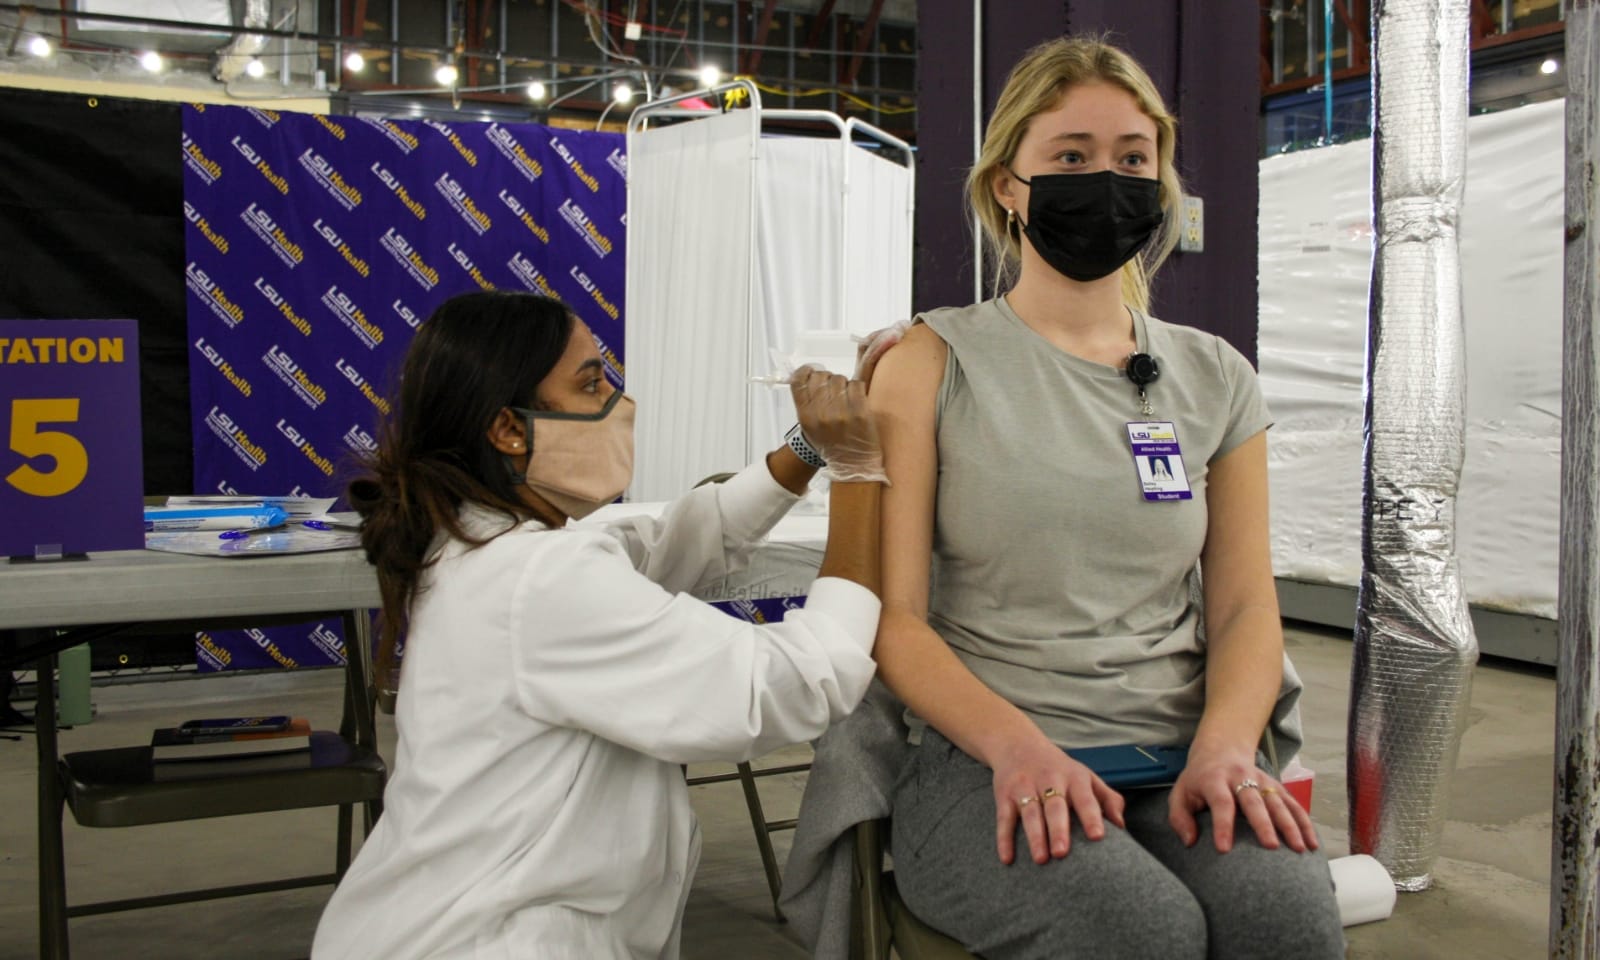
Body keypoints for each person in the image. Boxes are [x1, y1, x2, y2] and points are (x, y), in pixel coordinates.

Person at [864, 37, 1346, 958]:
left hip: (1180, 753)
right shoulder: (930, 364)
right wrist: (1016, 748)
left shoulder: (1215, 376)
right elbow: (897, 621)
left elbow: (1246, 605)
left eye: (1133, 158)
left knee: (1286, 919)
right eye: (1072, 157)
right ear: (1009, 182)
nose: (1108, 180)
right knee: (1137, 931)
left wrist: (1228, 747)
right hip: (987, 757)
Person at [310, 290, 887, 960]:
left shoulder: (483, 540)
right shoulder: (535, 576)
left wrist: (809, 446)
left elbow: (682, 537)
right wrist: (859, 474)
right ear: (508, 428)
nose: (617, 401)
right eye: (590, 385)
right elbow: (789, 686)